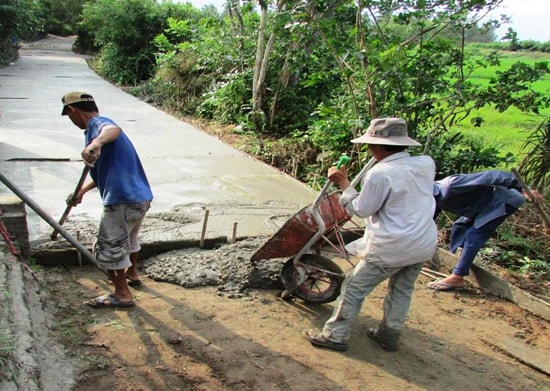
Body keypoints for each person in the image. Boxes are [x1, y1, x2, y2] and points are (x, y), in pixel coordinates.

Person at [305, 117, 438, 352]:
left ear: (376, 147)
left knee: (353, 288)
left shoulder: (380, 174)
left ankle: (334, 336)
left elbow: (361, 209)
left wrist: (344, 185)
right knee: (402, 290)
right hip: (423, 242)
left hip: (392, 246)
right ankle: (388, 335)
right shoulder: (426, 163)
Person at [61, 90, 153, 308]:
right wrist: (82, 191)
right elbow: (106, 173)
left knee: (108, 248)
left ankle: (122, 294)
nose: (72, 122)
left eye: (70, 117)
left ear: (73, 111)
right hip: (139, 197)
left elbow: (113, 129)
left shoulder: (98, 125)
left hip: (121, 200)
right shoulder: (99, 130)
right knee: (129, 240)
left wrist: (95, 144)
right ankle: (131, 273)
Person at [427, 170, 543, 291]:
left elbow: (495, 175)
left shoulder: (451, 185)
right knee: (459, 226)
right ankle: (456, 263)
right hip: (479, 206)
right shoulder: (433, 199)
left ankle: (457, 276)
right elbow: (428, 221)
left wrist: (524, 189)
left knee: (474, 235)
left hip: (500, 201)